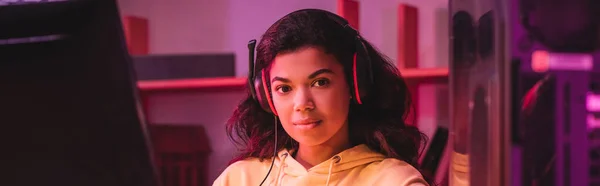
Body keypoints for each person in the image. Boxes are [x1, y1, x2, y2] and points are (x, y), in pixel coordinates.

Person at [213, 9, 431, 186]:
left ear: (355, 85)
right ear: (266, 98)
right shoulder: (240, 179)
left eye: (320, 82)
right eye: (284, 88)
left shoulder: (395, 181)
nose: (302, 105)